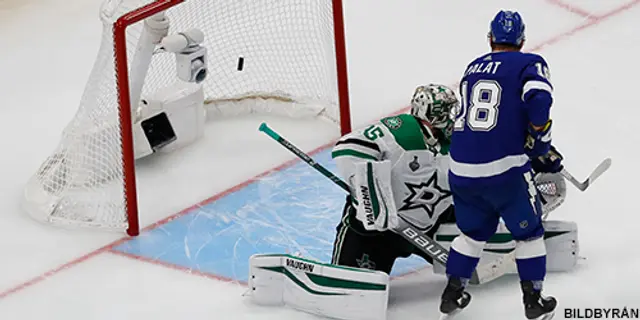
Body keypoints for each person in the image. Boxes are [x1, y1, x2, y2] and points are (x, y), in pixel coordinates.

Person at [440, 10, 563, 320]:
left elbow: (490, 117)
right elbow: (538, 100)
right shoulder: (528, 63)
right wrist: (540, 140)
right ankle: (533, 301)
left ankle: (452, 294)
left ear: (490, 39)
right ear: (522, 40)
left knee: (471, 236)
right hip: (503, 170)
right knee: (529, 234)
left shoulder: (472, 67)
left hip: (461, 170)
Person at [330, 83, 458, 273]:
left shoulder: (455, 140)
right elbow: (346, 147)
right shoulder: (402, 131)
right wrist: (367, 195)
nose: (452, 117)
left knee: (476, 248)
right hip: (377, 234)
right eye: (446, 111)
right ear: (431, 114)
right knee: (355, 289)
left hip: (430, 226)